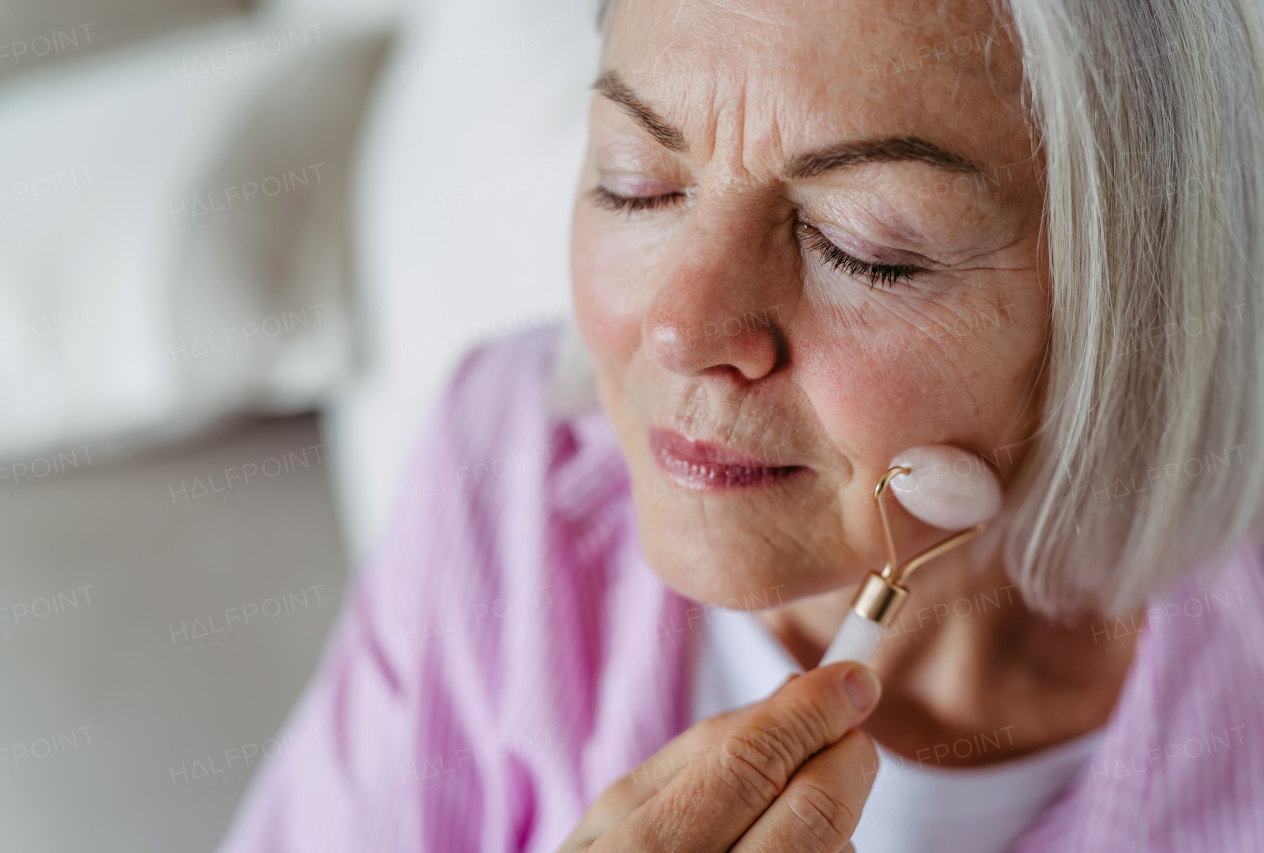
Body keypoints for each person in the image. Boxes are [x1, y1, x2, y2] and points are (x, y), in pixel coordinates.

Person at [218, 0, 1264, 850]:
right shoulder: (514, 466)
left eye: (861, 248)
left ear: (1136, 303)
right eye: (637, 184)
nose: (679, 327)